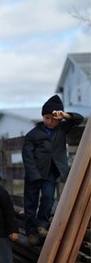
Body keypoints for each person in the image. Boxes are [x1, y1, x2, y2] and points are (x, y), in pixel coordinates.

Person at [22, 95, 84, 246]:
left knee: (48, 198)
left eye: (53, 118)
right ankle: (31, 232)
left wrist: (65, 115)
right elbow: (27, 156)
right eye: (47, 118)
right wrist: (34, 175)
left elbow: (79, 119)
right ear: (43, 116)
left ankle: (42, 225)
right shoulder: (33, 134)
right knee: (30, 203)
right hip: (33, 173)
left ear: (59, 118)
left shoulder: (62, 128)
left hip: (51, 172)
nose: (50, 121)